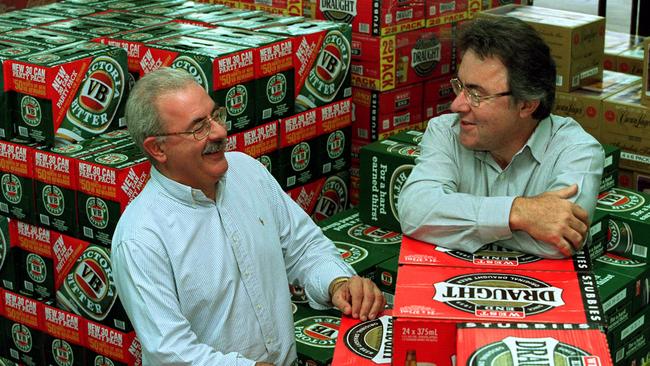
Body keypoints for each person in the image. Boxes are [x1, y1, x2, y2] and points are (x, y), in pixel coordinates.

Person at [112, 67, 385, 365]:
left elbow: (303, 248)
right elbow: (170, 352)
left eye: (216, 115)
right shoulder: (140, 237)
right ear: (158, 148)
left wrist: (336, 282)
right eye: (199, 127)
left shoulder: (247, 171)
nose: (219, 132)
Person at [397, 16, 604, 259]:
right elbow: (414, 212)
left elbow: (560, 243)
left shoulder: (579, 151)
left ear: (526, 105)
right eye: (460, 86)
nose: (456, 105)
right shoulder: (445, 132)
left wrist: (454, 223)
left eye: (476, 93)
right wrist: (519, 213)